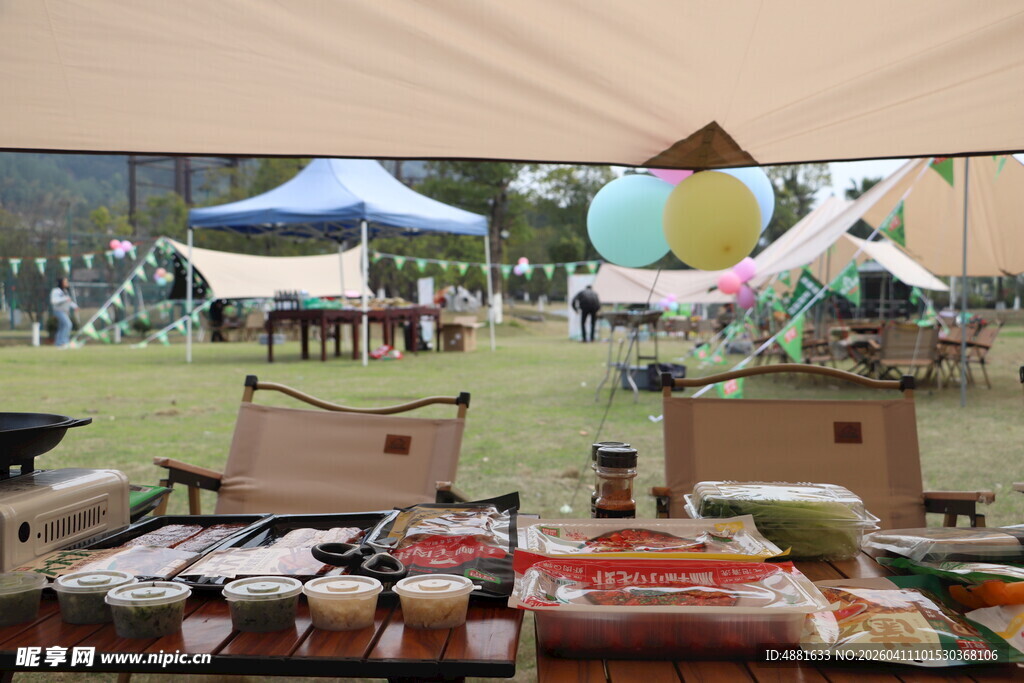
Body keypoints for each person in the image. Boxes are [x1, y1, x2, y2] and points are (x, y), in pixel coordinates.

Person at [50, 276, 78, 348]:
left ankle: (58, 343)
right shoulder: (56, 291)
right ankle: (63, 342)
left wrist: (75, 306)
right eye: (65, 282)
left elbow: (68, 301)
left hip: (65, 311)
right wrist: (64, 299)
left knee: (62, 327)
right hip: (59, 311)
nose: (66, 283)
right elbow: (54, 301)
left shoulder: (65, 291)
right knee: (68, 324)